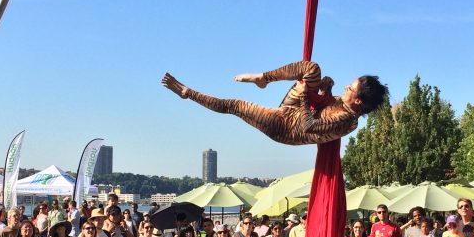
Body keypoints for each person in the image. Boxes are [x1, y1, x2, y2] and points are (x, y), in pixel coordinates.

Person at [162, 60, 388, 145]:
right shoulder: (345, 104)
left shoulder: (347, 120)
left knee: (236, 106)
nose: (345, 88)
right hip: (297, 110)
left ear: (358, 101)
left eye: (350, 89)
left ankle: (187, 93)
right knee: (312, 69)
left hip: (286, 128)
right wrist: (326, 87)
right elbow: (324, 104)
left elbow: (309, 126)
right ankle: (263, 78)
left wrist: (302, 94)